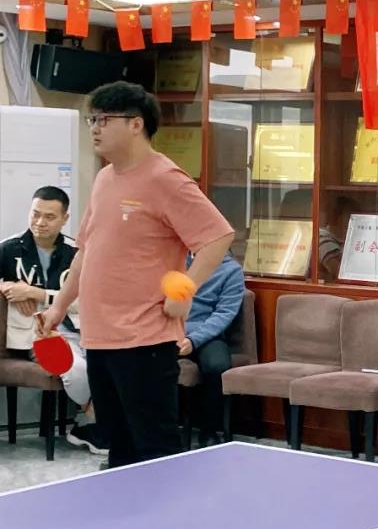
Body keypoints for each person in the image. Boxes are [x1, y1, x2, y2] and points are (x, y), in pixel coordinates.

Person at [40, 81, 235, 469]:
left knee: (154, 449)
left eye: (103, 119)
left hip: (145, 339)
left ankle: (168, 511)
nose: (94, 128)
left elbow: (218, 236)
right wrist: (59, 307)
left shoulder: (166, 178)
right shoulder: (104, 178)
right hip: (99, 337)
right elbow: (86, 251)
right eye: (92, 120)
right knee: (118, 447)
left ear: (135, 124)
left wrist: (184, 289)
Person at [0, 186, 107, 454]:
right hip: (36, 334)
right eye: (35, 214)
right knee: (75, 367)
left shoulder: (76, 252)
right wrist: (6, 286)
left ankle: (92, 424)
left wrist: (36, 293)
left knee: (111, 364)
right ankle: (96, 421)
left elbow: (85, 298)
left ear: (64, 218)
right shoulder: (9, 249)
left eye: (49, 217)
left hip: (79, 329)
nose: (40, 222)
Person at [179, 250, 245, 447]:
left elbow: (224, 313)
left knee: (217, 365)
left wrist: (193, 340)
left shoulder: (231, 270)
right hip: (172, 331)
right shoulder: (174, 261)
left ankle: (209, 431)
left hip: (208, 334)